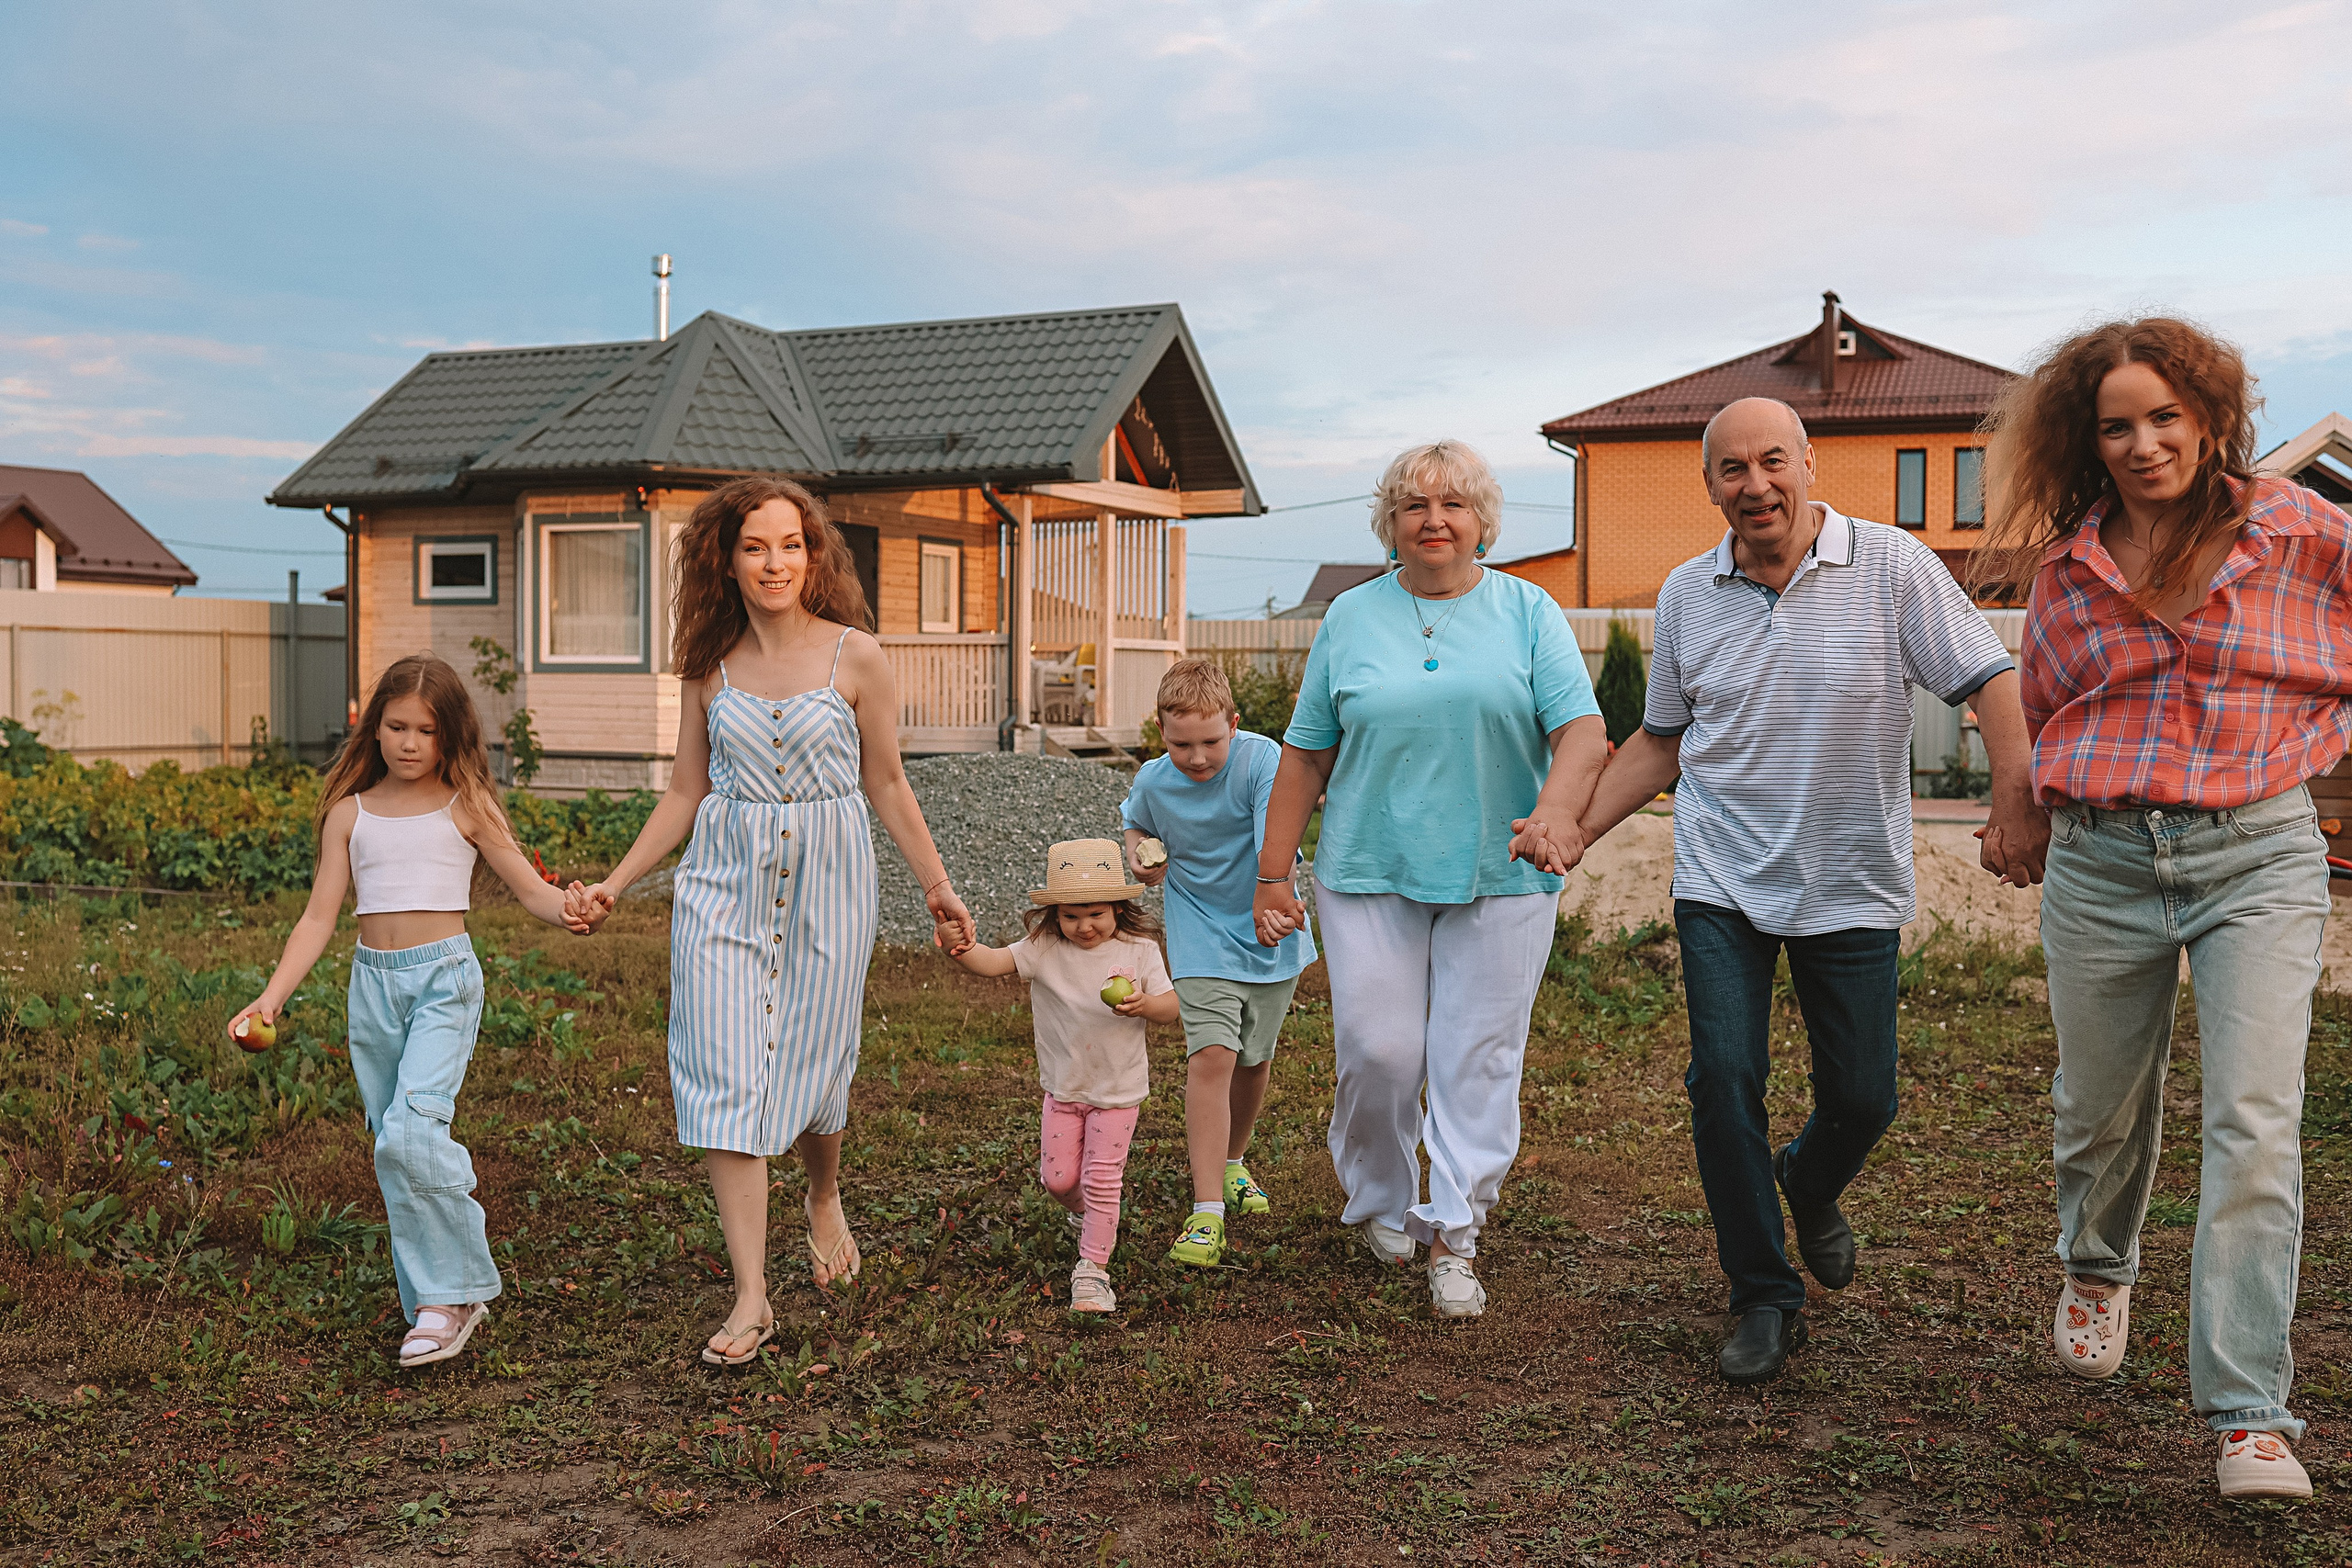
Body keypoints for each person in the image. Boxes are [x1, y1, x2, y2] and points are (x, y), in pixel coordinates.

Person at [1576, 396, 2036, 1386]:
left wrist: (2014, 801)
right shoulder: (1687, 593)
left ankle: (1808, 1178)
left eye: (1771, 461)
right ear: (1709, 488)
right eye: (1731, 470)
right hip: (1721, 875)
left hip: (1852, 875)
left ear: (1809, 464)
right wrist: (1573, 830)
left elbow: (1990, 680)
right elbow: (1660, 740)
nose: (1755, 485)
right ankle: (1761, 1293)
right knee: (1722, 1078)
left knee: (1864, 1097)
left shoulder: (1892, 566)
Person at [1977, 318, 2348, 1500]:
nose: (2144, 444)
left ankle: (2250, 1414)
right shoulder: (2066, 569)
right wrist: (2024, 812)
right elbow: (2040, 703)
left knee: (2253, 1118)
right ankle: (2096, 1262)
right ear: (2087, 441)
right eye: (2116, 425)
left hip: (2259, 853)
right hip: (2101, 861)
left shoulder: (2305, 533)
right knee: (2099, 1105)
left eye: (2165, 418)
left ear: (2207, 416)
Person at [575, 477, 974, 1368]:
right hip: (723, 884)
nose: (774, 563)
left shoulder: (857, 657)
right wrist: (614, 883)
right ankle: (752, 1294)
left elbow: (887, 784)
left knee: (814, 1065)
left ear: (814, 553)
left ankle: (822, 1192)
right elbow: (686, 791)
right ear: (727, 558)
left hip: (832, 885)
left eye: (790, 544)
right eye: (755, 546)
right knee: (722, 1071)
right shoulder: (707, 667)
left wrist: (937, 887)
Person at [1253, 439, 1606, 1320]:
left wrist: (1559, 812)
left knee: (1475, 1058)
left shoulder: (1529, 610)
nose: (1434, 519)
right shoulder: (1350, 617)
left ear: (1482, 519)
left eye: (1453, 504)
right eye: (1415, 505)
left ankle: (1454, 1233)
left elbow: (1584, 733)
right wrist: (1271, 874)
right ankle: (1379, 1196)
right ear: (1391, 523)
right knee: (1379, 1050)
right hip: (1368, 870)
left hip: (1503, 872)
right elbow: (1305, 754)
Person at [231, 653, 595, 1370]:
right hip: (373, 988)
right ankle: (435, 1292)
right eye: (394, 726)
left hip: (444, 980)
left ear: (448, 735)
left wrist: (573, 910)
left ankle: (451, 1296)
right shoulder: (349, 813)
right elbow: (316, 919)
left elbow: (530, 889)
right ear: (373, 728)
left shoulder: (467, 806)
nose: (406, 742)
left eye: (424, 730)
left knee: (412, 1132)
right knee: (392, 1142)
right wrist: (271, 996)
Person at [1120, 658, 1317, 1269]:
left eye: (1211, 741)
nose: (1199, 757)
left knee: (1254, 1060)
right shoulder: (1155, 780)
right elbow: (1135, 822)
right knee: (1212, 1056)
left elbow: (1273, 836)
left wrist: (1279, 898)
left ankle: (1233, 1162)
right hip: (1199, 928)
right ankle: (1207, 1210)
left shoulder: (1262, 761)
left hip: (1267, 923)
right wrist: (1140, 858)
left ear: (1234, 723)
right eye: (1182, 744)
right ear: (1161, 731)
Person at [935, 840, 1178, 1312]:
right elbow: (992, 963)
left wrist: (1146, 1005)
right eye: (1071, 916)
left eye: (1095, 913)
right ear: (1055, 916)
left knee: (1104, 1179)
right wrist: (958, 948)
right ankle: (1091, 1217)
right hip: (1064, 1088)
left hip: (1117, 1091)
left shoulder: (1140, 951)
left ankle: (1092, 1272)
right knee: (1060, 1181)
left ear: (1118, 908)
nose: (1084, 926)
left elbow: (1171, 1007)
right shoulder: (1043, 948)